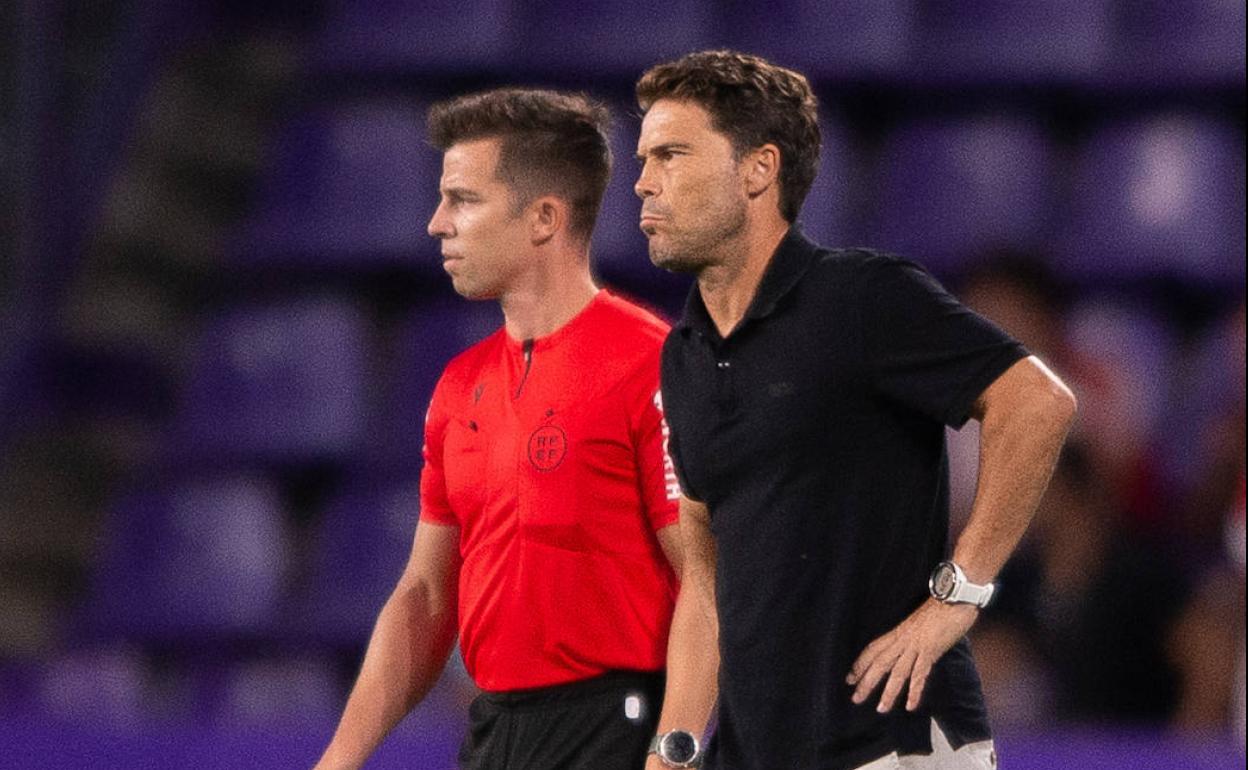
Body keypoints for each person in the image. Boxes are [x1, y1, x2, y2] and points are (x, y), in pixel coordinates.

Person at [633, 51, 1077, 770]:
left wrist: (958, 598)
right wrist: (674, 748)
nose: (643, 182)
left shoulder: (862, 297)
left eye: (672, 155)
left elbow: (1036, 403)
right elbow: (708, 582)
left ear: (758, 170)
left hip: (895, 745)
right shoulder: (681, 355)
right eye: (645, 157)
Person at [314, 88, 685, 770]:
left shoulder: (650, 365)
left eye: (462, 199)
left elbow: (709, 580)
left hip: (618, 733)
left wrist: (676, 752)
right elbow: (426, 595)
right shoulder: (459, 386)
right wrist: (338, 759)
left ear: (543, 217)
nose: (435, 223)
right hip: (494, 733)